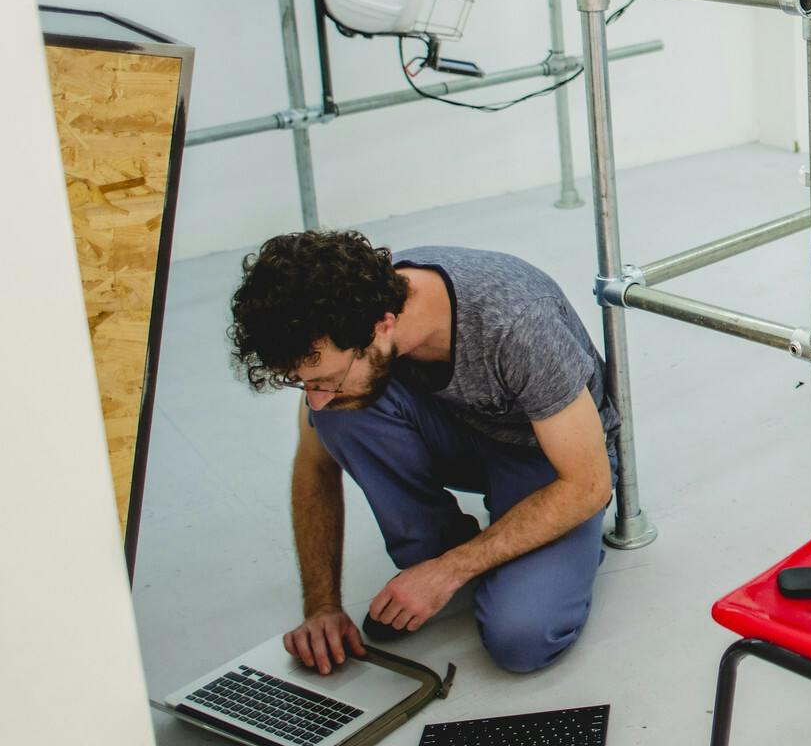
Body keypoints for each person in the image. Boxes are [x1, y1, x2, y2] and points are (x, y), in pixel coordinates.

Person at [227, 230, 619, 676]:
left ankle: (507, 564)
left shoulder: (516, 323)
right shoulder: (343, 314)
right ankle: (440, 551)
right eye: (305, 384)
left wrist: (449, 571)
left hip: (546, 457)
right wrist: (321, 607)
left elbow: (589, 484)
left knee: (522, 638)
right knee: (340, 413)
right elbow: (315, 466)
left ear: (383, 327)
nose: (313, 400)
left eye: (325, 379)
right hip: (458, 429)